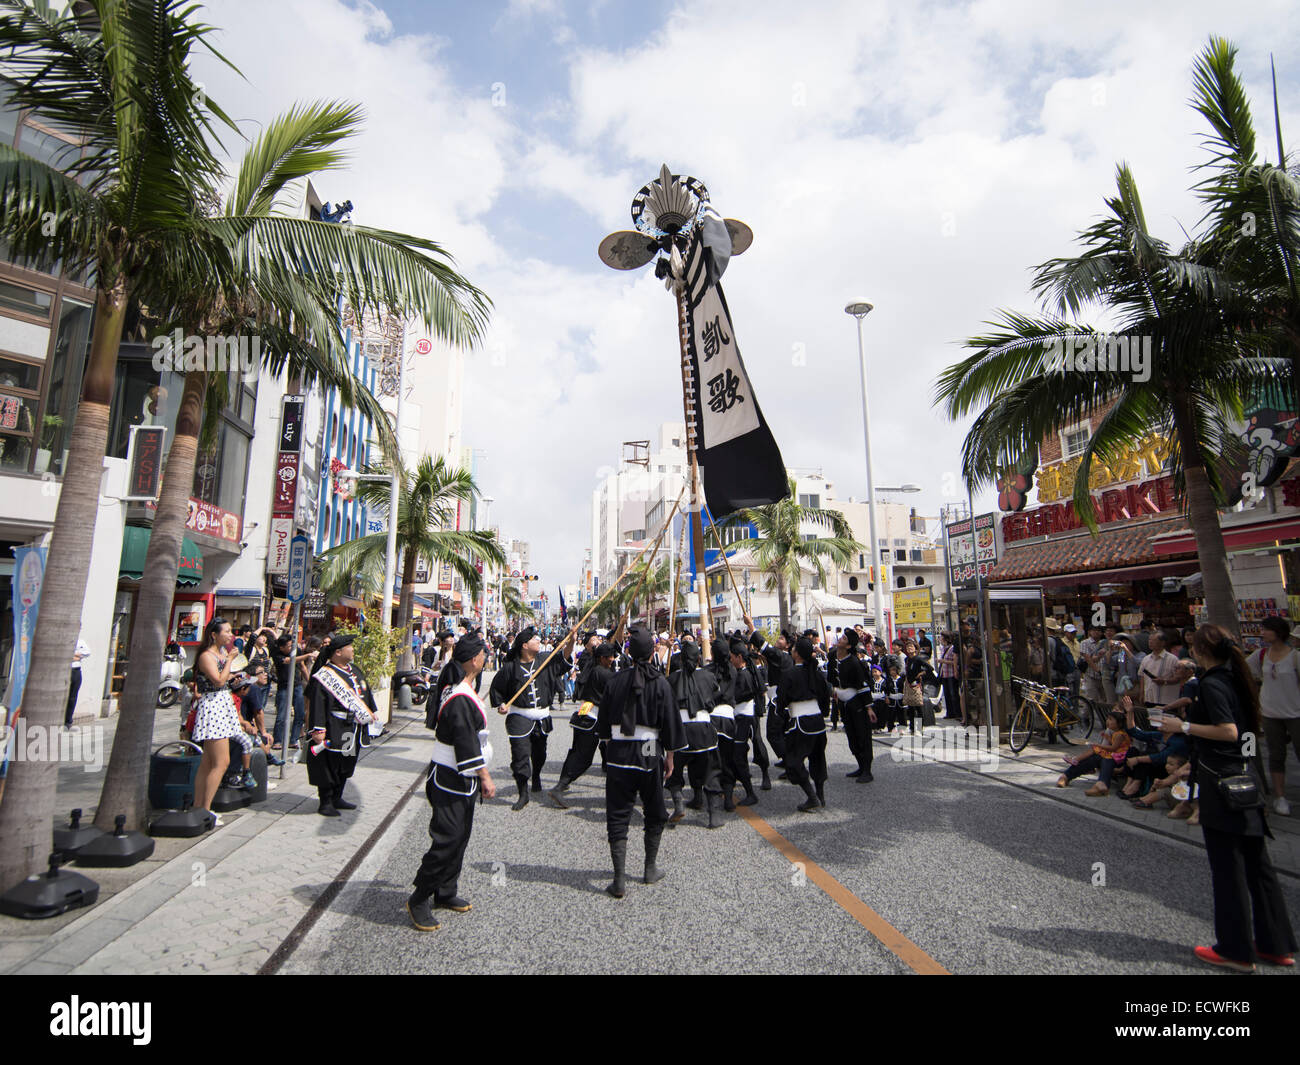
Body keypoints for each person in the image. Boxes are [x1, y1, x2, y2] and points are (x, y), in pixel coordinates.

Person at [1160, 624, 1296, 971]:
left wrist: (1184, 727)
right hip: (1245, 778)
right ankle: (1275, 943)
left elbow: (1228, 731)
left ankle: (1235, 949)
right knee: (1258, 866)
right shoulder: (1239, 678)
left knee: (1228, 867)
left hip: (1221, 780)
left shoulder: (1213, 682)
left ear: (1202, 652)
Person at [408, 632, 496, 930]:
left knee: (460, 836)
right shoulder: (458, 696)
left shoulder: (464, 689)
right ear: (474, 660)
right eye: (484, 654)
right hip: (450, 776)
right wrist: (485, 776)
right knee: (446, 839)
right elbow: (465, 741)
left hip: (461, 778)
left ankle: (446, 891)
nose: (487, 658)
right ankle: (419, 896)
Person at [596, 627, 686, 898]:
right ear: (651, 652)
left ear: (628, 652)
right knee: (654, 810)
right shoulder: (660, 682)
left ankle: (619, 879)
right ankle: (649, 868)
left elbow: (603, 727)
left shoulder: (614, 681)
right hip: (649, 750)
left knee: (618, 813)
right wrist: (670, 757)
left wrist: (612, 749)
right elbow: (670, 724)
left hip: (620, 751)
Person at [489, 626, 573, 810]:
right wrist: (501, 704)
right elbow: (496, 689)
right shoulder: (511, 668)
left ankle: (536, 775)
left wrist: (572, 639)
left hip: (541, 716)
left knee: (540, 753)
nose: (538, 641)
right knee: (520, 756)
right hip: (520, 716)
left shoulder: (545, 660)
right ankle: (523, 793)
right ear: (525, 645)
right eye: (534, 639)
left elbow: (564, 657)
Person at [303, 633, 378, 817]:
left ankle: (338, 796)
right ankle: (326, 801)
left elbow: (365, 692)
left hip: (352, 728)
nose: (353, 650)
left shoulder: (354, 670)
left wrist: (372, 713)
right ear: (338, 652)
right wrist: (318, 728)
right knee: (330, 763)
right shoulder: (325, 675)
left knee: (346, 762)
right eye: (349, 647)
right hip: (335, 725)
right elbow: (317, 704)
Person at [192, 618, 256, 824]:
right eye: (227, 631)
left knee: (208, 763)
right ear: (214, 634)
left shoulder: (218, 655)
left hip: (222, 703)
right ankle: (206, 809)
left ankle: (200, 808)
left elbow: (223, 679)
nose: (231, 635)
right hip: (214, 707)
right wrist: (229, 660)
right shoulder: (206, 656)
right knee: (221, 762)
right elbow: (217, 680)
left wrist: (233, 677)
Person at [549, 641, 617, 807]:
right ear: (602, 658)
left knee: (576, 752)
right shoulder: (603, 673)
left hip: (584, 713)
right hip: (592, 717)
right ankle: (560, 787)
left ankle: (562, 784)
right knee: (583, 757)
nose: (613, 659)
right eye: (610, 657)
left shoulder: (593, 668)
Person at [666, 639, 722, 827]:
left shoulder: (672, 678)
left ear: (681, 659)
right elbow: (715, 694)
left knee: (675, 770)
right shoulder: (708, 676)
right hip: (704, 729)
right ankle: (713, 815)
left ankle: (679, 803)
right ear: (699, 658)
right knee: (709, 770)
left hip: (680, 731)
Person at [1247, 616, 1300, 817]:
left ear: (1278, 632)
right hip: (1270, 712)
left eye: (1266, 629)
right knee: (1276, 754)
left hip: (1295, 711)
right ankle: (1280, 796)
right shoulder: (1260, 655)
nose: (1262, 633)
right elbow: (1244, 671)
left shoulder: (1295, 657)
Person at [779, 635, 831, 812]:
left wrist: (780, 715)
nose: (791, 652)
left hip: (800, 723)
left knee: (793, 762)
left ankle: (812, 797)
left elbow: (782, 701)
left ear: (798, 654)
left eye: (793, 649)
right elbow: (825, 699)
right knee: (818, 758)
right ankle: (820, 796)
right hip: (818, 721)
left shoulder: (789, 674)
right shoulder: (816, 674)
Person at [833, 628, 876, 781]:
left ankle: (867, 771)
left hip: (857, 704)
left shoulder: (854, 662)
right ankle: (860, 766)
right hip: (844, 705)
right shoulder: (834, 658)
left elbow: (862, 685)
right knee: (851, 736)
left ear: (849, 646)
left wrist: (869, 708)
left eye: (844, 639)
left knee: (862, 735)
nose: (840, 639)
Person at [1056, 710, 1130, 795]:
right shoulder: (1113, 732)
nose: (1107, 721)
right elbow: (1113, 744)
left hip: (1118, 757)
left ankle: (1101, 785)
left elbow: (1114, 748)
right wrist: (1105, 737)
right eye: (1108, 719)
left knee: (1100, 754)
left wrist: (1099, 745)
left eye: (1110, 719)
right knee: (1094, 757)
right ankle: (1066, 776)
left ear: (1119, 723)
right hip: (1113, 755)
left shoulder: (1120, 734)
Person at [270, 633, 305, 752]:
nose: (292, 648)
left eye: (292, 645)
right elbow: (288, 661)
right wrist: (308, 655)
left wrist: (309, 681)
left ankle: (294, 740)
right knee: (281, 715)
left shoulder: (297, 650)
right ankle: (277, 740)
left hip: (297, 685)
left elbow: (302, 666)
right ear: (282, 647)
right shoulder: (276, 653)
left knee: (300, 713)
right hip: (284, 686)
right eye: (289, 646)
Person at [64, 633, 90, 728]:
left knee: (72, 697)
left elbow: (87, 653)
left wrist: (73, 655)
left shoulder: (80, 641)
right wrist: (76, 656)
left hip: (76, 670)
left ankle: (68, 721)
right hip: (65, 670)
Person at [938, 631, 961, 721]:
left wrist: (944, 661)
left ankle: (957, 713)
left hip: (951, 674)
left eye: (942, 637)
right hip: (945, 674)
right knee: (947, 695)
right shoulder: (943, 648)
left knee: (953, 694)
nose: (940, 639)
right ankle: (950, 713)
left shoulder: (952, 648)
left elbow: (956, 662)